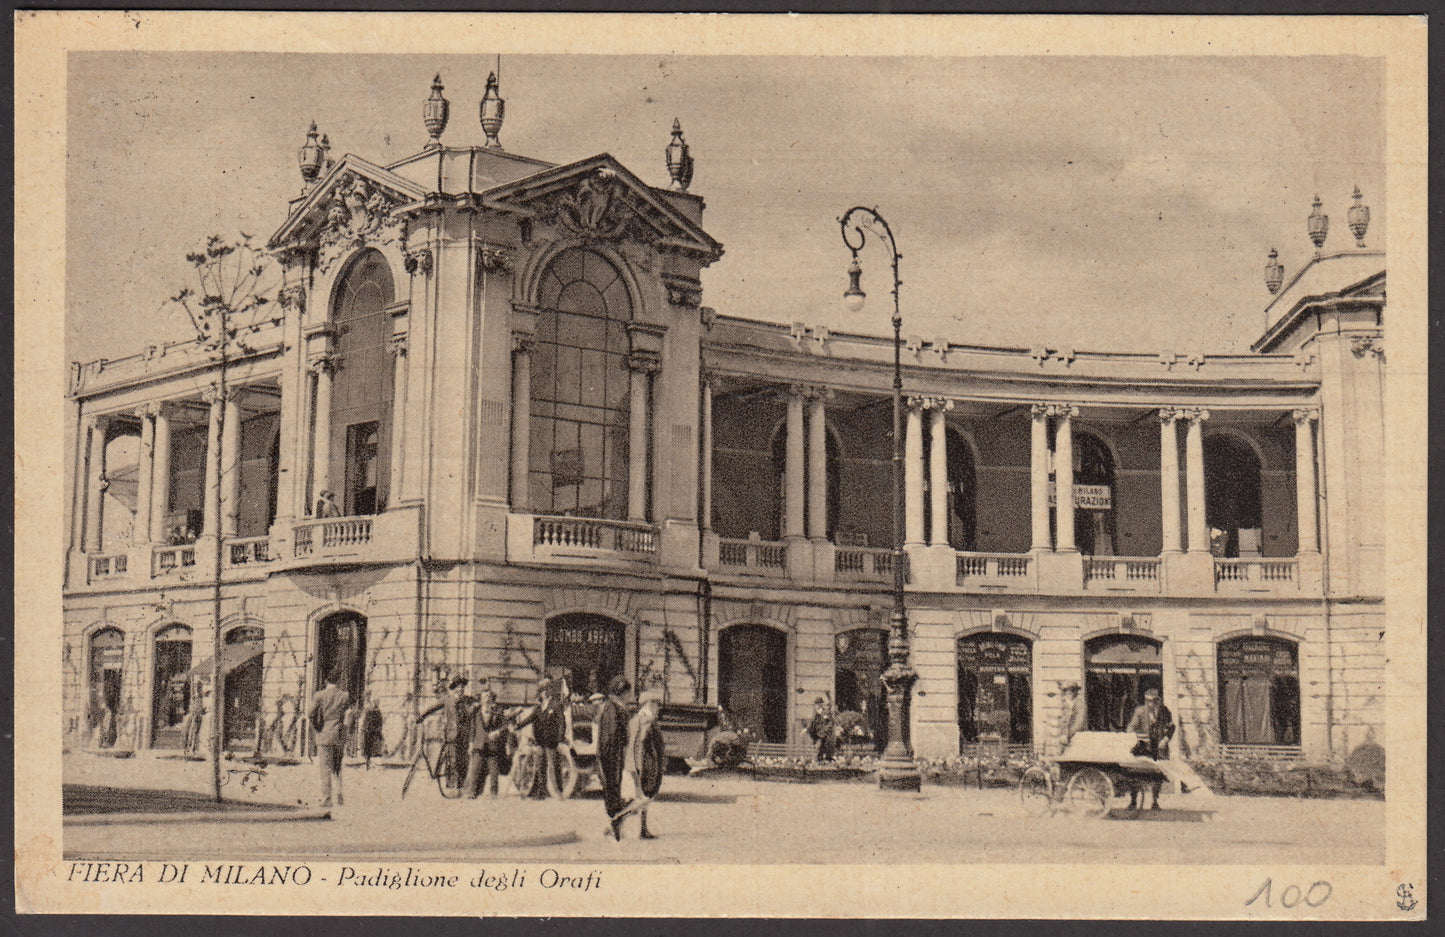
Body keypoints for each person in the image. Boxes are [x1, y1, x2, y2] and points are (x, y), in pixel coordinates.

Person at [613, 690, 665, 839]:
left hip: (633, 764)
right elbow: (643, 740)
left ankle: (642, 829)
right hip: (643, 764)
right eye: (656, 704)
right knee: (644, 798)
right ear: (649, 704)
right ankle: (618, 819)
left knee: (641, 797)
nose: (658, 708)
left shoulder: (635, 718)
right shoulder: (647, 719)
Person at [597, 675, 635, 840]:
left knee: (614, 789)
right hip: (612, 754)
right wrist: (614, 751)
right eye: (628, 693)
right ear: (622, 692)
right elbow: (611, 734)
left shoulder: (613, 706)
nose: (629, 696)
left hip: (613, 753)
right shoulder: (613, 708)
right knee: (613, 788)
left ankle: (614, 826)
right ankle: (614, 827)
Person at [1125, 686, 1175, 810]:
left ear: (1157, 701)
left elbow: (1172, 727)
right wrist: (1137, 738)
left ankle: (1155, 801)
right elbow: (1130, 728)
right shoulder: (1140, 711)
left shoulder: (1165, 712)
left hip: (1160, 747)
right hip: (1144, 747)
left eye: (1151, 701)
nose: (1148, 703)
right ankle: (1133, 801)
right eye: (1146, 700)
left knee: (1158, 774)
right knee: (1134, 772)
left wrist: (1165, 740)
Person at [419, 676, 472, 791]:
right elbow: (433, 707)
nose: (461, 689)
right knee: (452, 760)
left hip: (464, 736)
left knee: (463, 761)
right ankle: (452, 786)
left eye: (463, 687)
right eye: (459, 687)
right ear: (455, 688)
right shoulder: (447, 699)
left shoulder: (468, 700)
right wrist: (421, 716)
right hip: (451, 735)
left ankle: (462, 786)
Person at [309, 668, 351, 809]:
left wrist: (318, 728)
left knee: (325, 767)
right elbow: (350, 713)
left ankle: (327, 798)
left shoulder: (319, 696)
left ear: (326, 681)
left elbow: (310, 714)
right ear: (338, 681)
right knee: (337, 766)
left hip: (324, 734)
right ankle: (340, 794)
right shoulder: (344, 695)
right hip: (339, 733)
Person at [464, 688, 509, 798]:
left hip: (492, 746)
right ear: (481, 699)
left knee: (494, 771)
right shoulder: (476, 712)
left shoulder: (498, 711)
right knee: (475, 770)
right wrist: (470, 744)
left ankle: (494, 793)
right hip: (478, 745)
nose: (487, 699)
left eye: (488, 696)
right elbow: (472, 729)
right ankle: (471, 792)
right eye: (484, 697)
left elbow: (505, 726)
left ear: (492, 698)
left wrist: (497, 732)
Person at [1059, 682, 1088, 752]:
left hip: (1077, 737)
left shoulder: (1079, 704)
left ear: (1073, 692)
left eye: (1068, 692)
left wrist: (1068, 735)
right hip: (1069, 738)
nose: (1066, 694)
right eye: (1065, 692)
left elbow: (1079, 723)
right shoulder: (1069, 704)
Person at [807, 696, 837, 763]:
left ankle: (820, 761)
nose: (815, 706)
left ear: (820, 705)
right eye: (815, 704)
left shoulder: (826, 712)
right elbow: (812, 722)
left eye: (817, 704)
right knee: (818, 749)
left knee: (819, 747)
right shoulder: (815, 713)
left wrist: (826, 729)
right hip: (816, 734)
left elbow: (831, 722)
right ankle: (819, 761)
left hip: (824, 735)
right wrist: (807, 729)